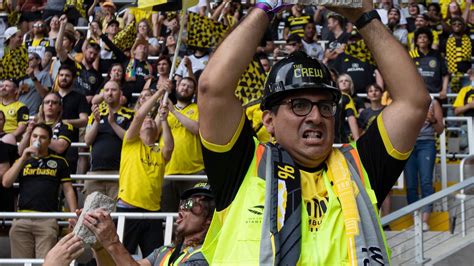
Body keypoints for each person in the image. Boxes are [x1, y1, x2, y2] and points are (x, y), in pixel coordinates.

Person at [196, 0, 430, 264]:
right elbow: (212, 88)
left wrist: (364, 17)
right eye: (299, 105)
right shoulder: (243, 166)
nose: (316, 117)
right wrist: (267, 7)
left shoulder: (360, 168)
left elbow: (414, 102)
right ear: (269, 121)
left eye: (325, 106)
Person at [43, 183, 215, 266]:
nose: (182, 210)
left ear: (210, 219)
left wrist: (112, 241)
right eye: (183, 203)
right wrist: (100, 245)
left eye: (193, 206)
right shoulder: (165, 251)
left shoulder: (204, 258)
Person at [115, 81, 173, 257]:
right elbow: (139, 115)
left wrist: (163, 120)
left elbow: (169, 148)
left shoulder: (159, 150)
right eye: (146, 120)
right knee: (119, 257)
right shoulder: (130, 142)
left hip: (153, 212)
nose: (148, 121)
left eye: (151, 121)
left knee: (155, 258)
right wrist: (158, 93)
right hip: (127, 209)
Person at [2, 123, 77, 258]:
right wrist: (24, 157)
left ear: (49, 141)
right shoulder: (22, 161)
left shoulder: (60, 162)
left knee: (46, 262)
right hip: (22, 218)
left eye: (42, 137)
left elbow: (68, 190)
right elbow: (6, 182)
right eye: (35, 136)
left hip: (47, 219)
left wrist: (73, 216)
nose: (38, 140)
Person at [161, 77, 204, 212]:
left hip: (193, 174)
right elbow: (153, 132)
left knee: (190, 214)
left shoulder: (198, 109)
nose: (185, 88)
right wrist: (161, 112)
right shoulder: (165, 109)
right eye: (183, 85)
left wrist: (174, 111)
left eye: (189, 87)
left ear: (193, 92)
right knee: (167, 216)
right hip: (167, 171)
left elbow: (197, 129)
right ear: (177, 87)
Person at [84, 80, 134, 199]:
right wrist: (96, 121)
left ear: (121, 93)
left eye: (113, 90)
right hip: (95, 173)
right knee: (92, 214)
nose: (109, 93)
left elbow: (129, 139)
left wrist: (113, 123)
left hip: (120, 172)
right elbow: (87, 141)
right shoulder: (96, 114)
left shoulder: (130, 114)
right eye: (106, 90)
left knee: (115, 215)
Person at [404, 99, 444, 231]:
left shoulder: (433, 102)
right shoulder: (406, 101)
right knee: (410, 185)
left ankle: (424, 221)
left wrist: (432, 120)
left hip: (426, 144)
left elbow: (440, 130)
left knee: (426, 182)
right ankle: (416, 221)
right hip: (408, 144)